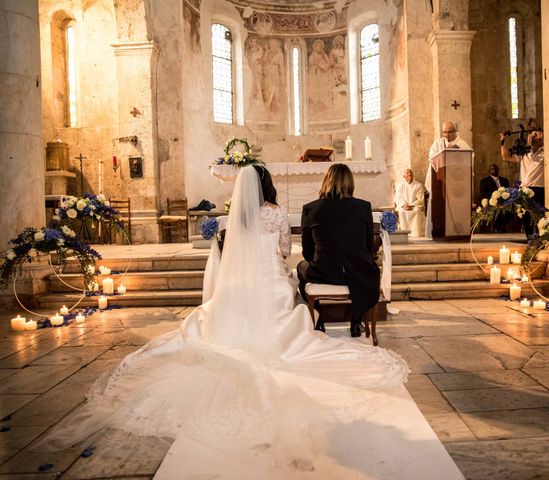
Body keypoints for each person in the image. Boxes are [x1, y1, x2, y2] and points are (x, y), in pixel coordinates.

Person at [39, 165, 412, 475]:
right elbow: (285, 251)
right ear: (268, 187)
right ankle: (339, 323)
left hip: (237, 290)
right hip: (274, 286)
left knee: (244, 305)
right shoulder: (281, 213)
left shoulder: (240, 218)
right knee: (289, 296)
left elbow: (251, 252)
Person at [297, 163, 380, 337]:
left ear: (326, 181)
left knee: (300, 267)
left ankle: (318, 319)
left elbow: (307, 252)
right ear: (350, 182)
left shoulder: (310, 209)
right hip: (358, 272)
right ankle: (356, 322)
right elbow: (367, 246)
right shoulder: (363, 207)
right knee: (370, 268)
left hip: (324, 272)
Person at [425, 122, 471, 238]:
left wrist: (457, 152)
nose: (447, 134)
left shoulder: (462, 144)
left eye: (449, 131)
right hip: (440, 181)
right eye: (444, 132)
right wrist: (444, 153)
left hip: (458, 181)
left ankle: (459, 231)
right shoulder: (438, 144)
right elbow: (432, 158)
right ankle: (438, 231)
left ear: (455, 132)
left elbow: (470, 158)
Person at [499, 127, 544, 237]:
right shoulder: (524, 153)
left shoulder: (545, 153)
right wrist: (502, 141)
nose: (532, 136)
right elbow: (506, 157)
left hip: (538, 190)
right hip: (524, 189)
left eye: (536, 135)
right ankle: (530, 241)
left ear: (542, 138)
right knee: (526, 217)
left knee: (538, 218)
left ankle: (539, 240)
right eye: (531, 134)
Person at [394, 168, 425, 237]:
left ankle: (416, 233)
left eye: (410, 173)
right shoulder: (400, 185)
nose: (409, 174)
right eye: (407, 173)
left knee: (416, 211)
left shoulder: (418, 185)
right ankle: (404, 232)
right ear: (403, 176)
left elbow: (420, 198)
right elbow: (398, 196)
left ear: (413, 175)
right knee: (401, 211)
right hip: (404, 206)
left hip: (414, 206)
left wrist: (412, 205)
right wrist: (403, 205)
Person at [479, 164, 510, 233]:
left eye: (496, 169)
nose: (494, 170)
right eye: (492, 169)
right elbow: (483, 194)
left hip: (504, 202)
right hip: (492, 201)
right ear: (489, 171)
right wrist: (495, 196)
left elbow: (508, 191)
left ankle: (501, 226)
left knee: (511, 210)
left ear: (498, 170)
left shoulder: (504, 180)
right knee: (496, 210)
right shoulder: (484, 181)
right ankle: (499, 228)